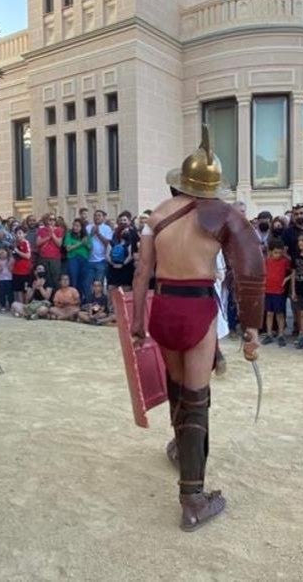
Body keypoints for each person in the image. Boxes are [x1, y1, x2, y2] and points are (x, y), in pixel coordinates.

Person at [130, 127, 264, 532]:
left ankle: (178, 448)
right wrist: (252, 330)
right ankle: (192, 498)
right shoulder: (224, 215)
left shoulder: (157, 214)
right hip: (197, 307)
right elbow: (250, 272)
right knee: (196, 396)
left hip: (163, 307)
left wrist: (137, 322)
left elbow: (141, 273)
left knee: (177, 388)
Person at [261, 240, 291, 346]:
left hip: (279, 291)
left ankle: (281, 334)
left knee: (280, 314)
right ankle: (269, 334)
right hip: (268, 290)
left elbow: (293, 271)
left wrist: (286, 279)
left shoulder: (285, 261)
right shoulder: (266, 261)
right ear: (270, 252)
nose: (277, 255)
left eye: (280, 253)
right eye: (275, 252)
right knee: (269, 313)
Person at [63, 220, 91, 303]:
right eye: (74, 225)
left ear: (82, 227)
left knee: (83, 282)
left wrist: (86, 243)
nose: (75, 227)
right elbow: (68, 248)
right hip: (73, 259)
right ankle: (72, 301)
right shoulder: (69, 235)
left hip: (84, 260)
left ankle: (81, 301)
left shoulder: (87, 236)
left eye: (77, 226)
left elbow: (90, 248)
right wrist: (81, 243)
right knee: (73, 280)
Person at [87, 210, 114, 292]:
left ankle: (99, 302)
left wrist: (98, 234)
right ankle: (90, 302)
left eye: (99, 215)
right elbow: (84, 242)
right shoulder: (88, 227)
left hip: (101, 260)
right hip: (89, 260)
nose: (97, 217)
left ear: (103, 217)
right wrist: (91, 235)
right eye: (95, 215)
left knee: (99, 283)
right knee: (88, 284)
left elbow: (108, 244)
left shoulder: (107, 228)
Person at [36, 214, 65, 283]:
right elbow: (38, 243)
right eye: (50, 219)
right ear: (46, 220)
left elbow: (59, 244)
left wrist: (52, 234)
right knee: (43, 278)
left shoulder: (59, 230)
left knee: (55, 278)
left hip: (55, 258)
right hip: (43, 257)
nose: (52, 221)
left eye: (54, 219)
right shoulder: (41, 230)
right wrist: (47, 237)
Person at [10, 224, 33, 305]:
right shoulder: (14, 244)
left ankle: (26, 306)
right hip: (16, 271)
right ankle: (21, 306)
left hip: (25, 271)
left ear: (25, 234)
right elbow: (13, 257)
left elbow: (28, 256)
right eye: (17, 233)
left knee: (25, 290)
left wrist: (17, 251)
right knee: (18, 290)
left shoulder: (26, 243)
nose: (18, 235)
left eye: (20, 233)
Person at [0, 245, 13, 313]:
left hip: (9, 278)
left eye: (3, 252)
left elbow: (11, 269)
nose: (2, 254)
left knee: (10, 293)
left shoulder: (11, 259)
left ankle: (11, 305)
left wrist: (8, 263)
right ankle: (3, 306)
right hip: (1, 279)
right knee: (2, 293)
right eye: (0, 253)